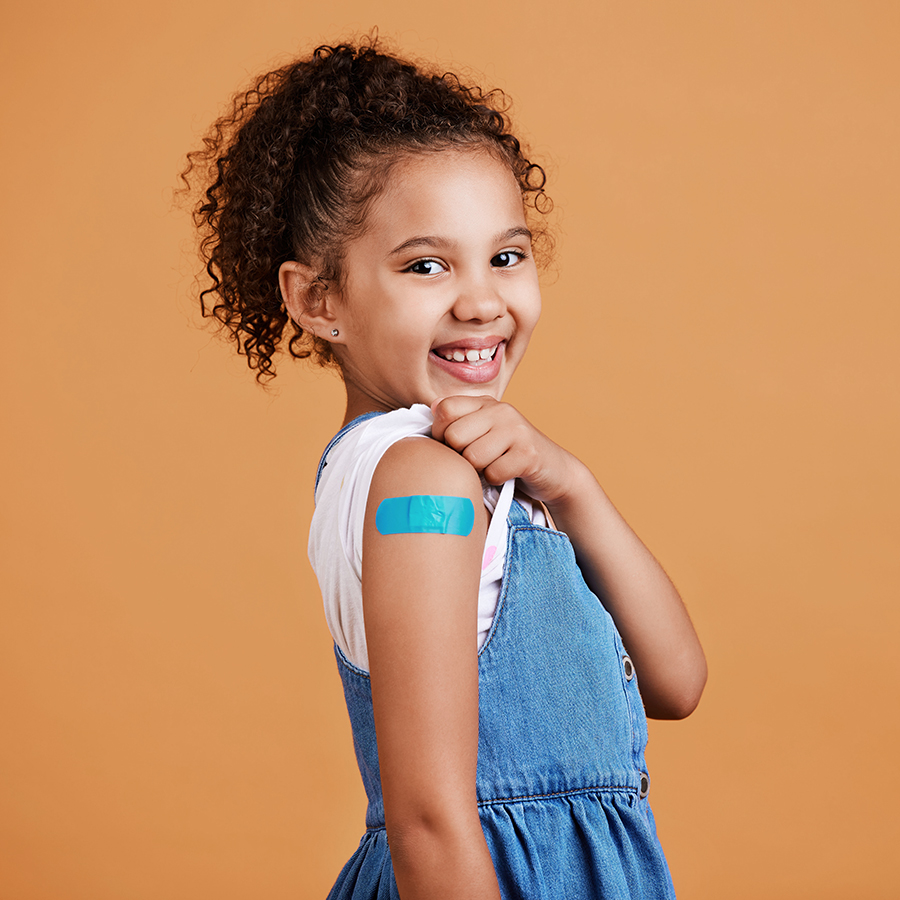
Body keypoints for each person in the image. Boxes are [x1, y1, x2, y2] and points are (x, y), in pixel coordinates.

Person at [183, 38, 707, 900]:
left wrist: (569, 482)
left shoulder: (480, 476)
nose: (480, 299)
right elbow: (429, 818)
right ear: (319, 301)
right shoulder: (421, 485)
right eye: (426, 265)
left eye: (506, 256)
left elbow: (677, 681)